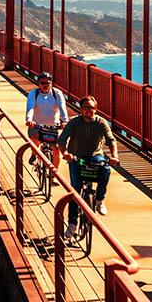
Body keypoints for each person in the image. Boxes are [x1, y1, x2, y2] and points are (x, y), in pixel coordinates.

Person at [58, 96, 119, 237]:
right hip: (77, 158)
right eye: (85, 108)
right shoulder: (74, 123)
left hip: (95, 157)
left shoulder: (101, 122)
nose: (88, 111)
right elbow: (62, 140)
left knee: (105, 169)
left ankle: (99, 199)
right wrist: (65, 153)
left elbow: (111, 140)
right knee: (75, 191)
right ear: (81, 110)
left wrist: (115, 156)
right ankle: (72, 225)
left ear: (96, 109)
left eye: (91, 108)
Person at [25, 71, 69, 168]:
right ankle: (34, 153)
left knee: (56, 149)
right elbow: (30, 107)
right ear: (38, 83)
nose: (45, 85)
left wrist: (65, 121)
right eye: (42, 83)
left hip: (54, 126)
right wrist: (29, 120)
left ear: (51, 83)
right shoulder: (34, 93)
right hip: (37, 125)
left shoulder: (57, 93)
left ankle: (54, 174)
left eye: (47, 83)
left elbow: (62, 107)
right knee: (34, 138)